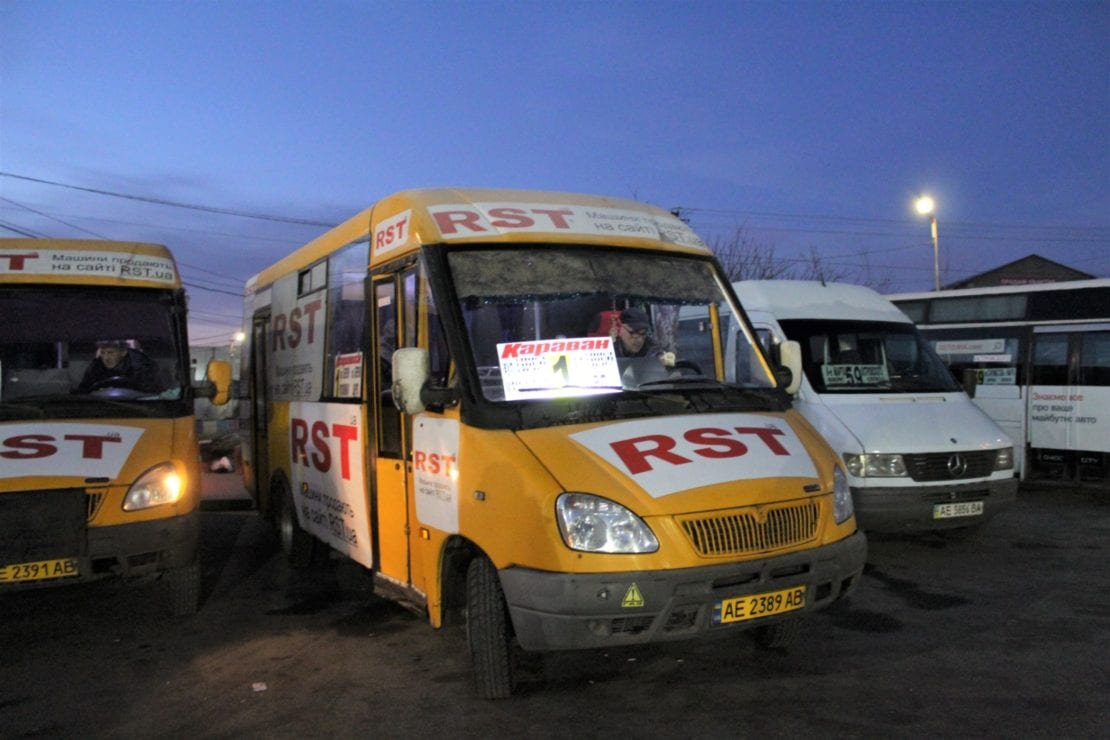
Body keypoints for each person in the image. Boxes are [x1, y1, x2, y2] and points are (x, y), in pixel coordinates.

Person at [78, 340, 160, 393]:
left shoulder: (141, 367)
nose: (106, 358)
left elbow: (151, 393)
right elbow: (83, 391)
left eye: (111, 353)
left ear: (123, 352)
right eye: (103, 353)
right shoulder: (95, 368)